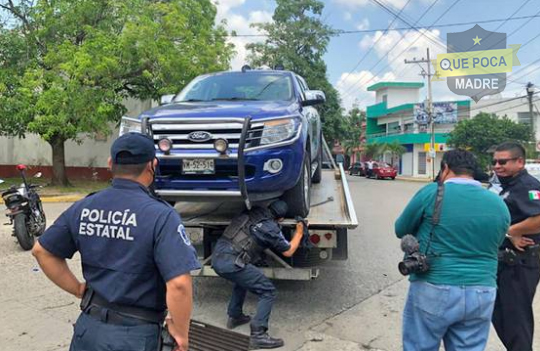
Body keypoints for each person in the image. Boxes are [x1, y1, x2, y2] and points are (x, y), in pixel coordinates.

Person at [32, 132, 201, 351]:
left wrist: (77, 289)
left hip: (87, 330)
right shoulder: (161, 216)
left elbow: (42, 251)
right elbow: (179, 285)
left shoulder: (86, 206)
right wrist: (181, 334)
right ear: (152, 165)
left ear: (111, 163)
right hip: (135, 336)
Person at [395, 149, 510, 351]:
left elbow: (401, 229)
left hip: (435, 286)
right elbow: (497, 241)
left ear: (445, 168)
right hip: (482, 291)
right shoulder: (497, 202)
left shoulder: (432, 193)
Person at [211, 200, 305, 349]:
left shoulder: (251, 212)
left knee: (242, 279)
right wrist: (299, 232)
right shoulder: (271, 229)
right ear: (280, 218)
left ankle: (234, 316)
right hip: (232, 263)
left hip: (217, 258)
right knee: (268, 291)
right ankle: (258, 334)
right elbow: (288, 250)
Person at [491, 141, 540, 351]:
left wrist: (511, 231)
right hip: (504, 262)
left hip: (520, 263)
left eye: (502, 161)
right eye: (494, 161)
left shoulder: (528, 186)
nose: (497, 166)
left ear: (519, 162)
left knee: (515, 319)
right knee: (500, 315)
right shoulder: (505, 185)